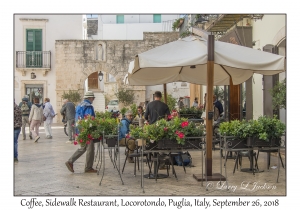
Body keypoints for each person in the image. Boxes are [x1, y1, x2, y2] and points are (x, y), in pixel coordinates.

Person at [65, 91, 97, 173]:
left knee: (83, 148)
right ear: (89, 98)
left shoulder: (79, 105)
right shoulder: (88, 106)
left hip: (79, 129)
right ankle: (88, 167)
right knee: (90, 149)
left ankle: (70, 161)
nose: (93, 99)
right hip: (86, 130)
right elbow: (89, 118)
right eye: (93, 98)